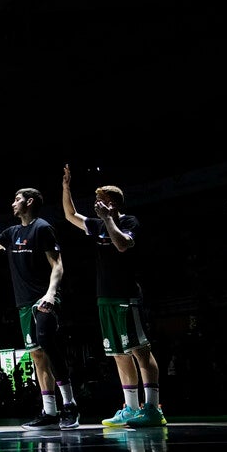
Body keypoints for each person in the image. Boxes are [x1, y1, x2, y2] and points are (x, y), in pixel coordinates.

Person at [61, 165, 166, 428]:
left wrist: (108, 219)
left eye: (101, 200)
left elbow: (121, 245)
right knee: (119, 353)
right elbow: (70, 214)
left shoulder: (129, 222)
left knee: (140, 350)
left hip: (127, 296)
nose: (96, 204)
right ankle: (131, 408)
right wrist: (65, 188)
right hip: (104, 297)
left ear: (113, 203)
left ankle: (153, 407)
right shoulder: (96, 225)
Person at [0, 187, 80, 430]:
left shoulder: (42, 228)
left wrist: (51, 294)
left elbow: (58, 265)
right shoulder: (12, 233)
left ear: (29, 202)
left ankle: (70, 405)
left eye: (17, 199)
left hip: (44, 300)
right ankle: (49, 412)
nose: (13, 203)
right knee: (37, 355)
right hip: (23, 304)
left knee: (50, 347)